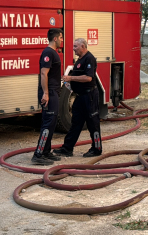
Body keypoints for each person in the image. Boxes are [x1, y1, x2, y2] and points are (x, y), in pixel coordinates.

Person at [53, 38, 102, 158]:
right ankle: (67, 148)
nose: (73, 49)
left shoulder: (89, 58)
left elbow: (88, 78)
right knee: (75, 123)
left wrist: (71, 78)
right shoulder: (79, 60)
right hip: (80, 97)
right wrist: (69, 84)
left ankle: (96, 149)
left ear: (83, 47)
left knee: (93, 123)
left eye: (76, 46)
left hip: (89, 97)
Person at [32, 28, 64, 165]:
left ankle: (46, 151)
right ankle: (38, 154)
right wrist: (46, 93)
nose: (62, 40)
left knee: (52, 123)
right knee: (48, 123)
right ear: (55, 38)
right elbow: (44, 73)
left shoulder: (53, 53)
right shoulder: (48, 52)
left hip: (53, 91)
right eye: (61, 37)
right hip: (49, 92)